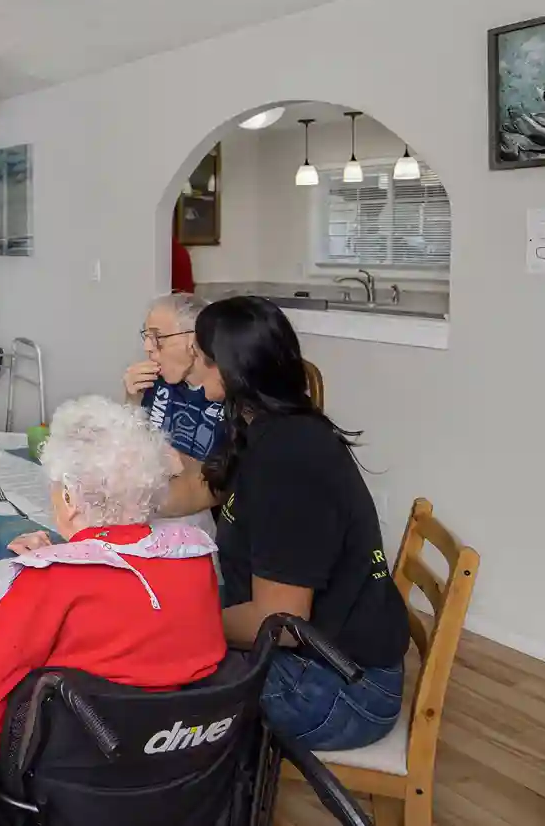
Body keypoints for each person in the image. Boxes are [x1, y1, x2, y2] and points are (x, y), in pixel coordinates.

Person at [0, 396, 226, 757]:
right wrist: (65, 553)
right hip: (174, 769)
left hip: (73, 779)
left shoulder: (53, 580)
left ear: (68, 497)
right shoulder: (194, 556)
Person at [177, 295, 409, 751]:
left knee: (148, 672)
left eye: (202, 358)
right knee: (154, 607)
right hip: (321, 656)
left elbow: (278, 623)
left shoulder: (289, 459)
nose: (191, 369)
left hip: (341, 689)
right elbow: (202, 489)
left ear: (234, 368)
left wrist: (181, 627)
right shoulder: (261, 426)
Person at [122, 292, 225, 535]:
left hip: (202, 521)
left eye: (158, 337)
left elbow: (219, 484)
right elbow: (133, 448)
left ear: (195, 341)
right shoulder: (155, 383)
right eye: (146, 337)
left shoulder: (224, 392)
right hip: (157, 512)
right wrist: (132, 402)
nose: (148, 348)